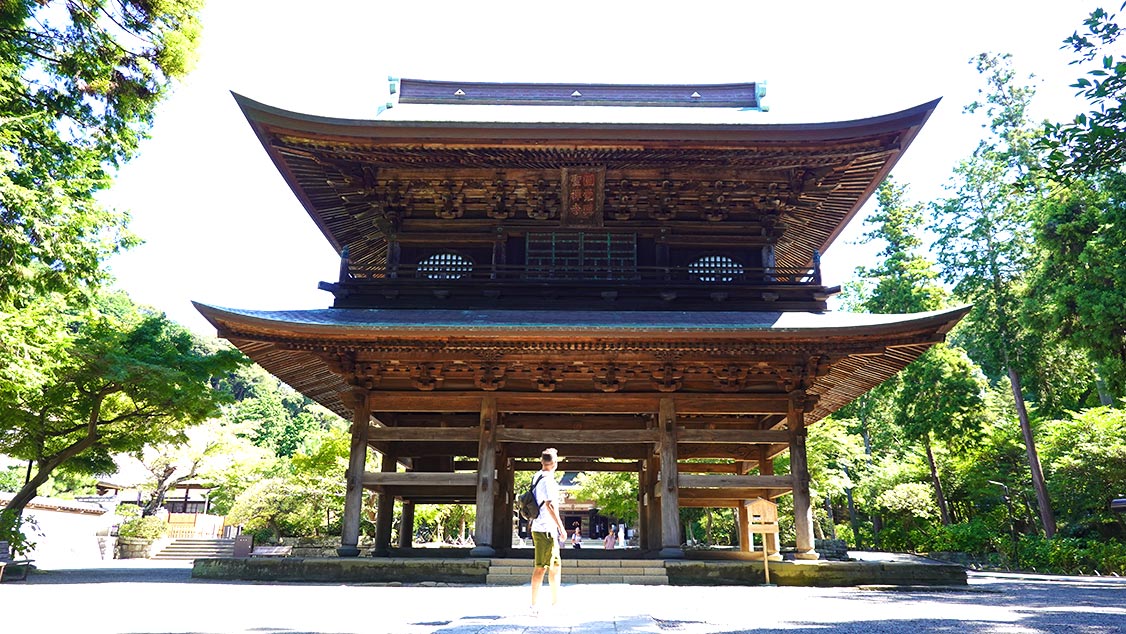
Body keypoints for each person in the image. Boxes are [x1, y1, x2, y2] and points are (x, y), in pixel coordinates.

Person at [530, 448, 566, 613]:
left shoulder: (537, 476)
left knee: (555, 565)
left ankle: (555, 602)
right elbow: (549, 505)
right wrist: (561, 527)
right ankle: (534, 605)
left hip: (544, 528)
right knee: (541, 567)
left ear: (541, 461)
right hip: (545, 528)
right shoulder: (548, 481)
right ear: (555, 463)